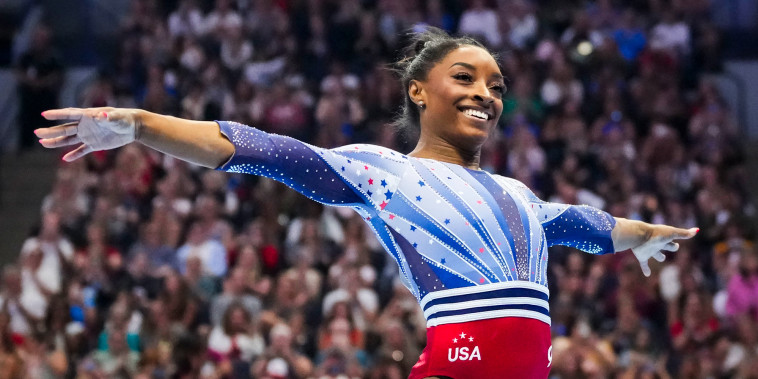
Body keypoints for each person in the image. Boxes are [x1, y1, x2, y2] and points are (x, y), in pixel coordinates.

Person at [35, 28, 696, 379]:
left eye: (495, 84)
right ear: (417, 91)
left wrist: (636, 234)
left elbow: (581, 225)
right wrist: (140, 123)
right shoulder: (383, 171)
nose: (485, 94)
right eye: (463, 77)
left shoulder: (520, 195)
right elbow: (261, 148)